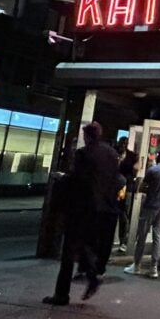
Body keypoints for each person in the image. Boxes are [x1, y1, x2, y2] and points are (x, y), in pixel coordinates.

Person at [45, 121, 120, 306]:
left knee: (69, 249)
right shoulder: (111, 153)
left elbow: (78, 180)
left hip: (82, 207)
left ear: (86, 136)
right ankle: (93, 275)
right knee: (85, 243)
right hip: (103, 208)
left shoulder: (83, 153)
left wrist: (62, 178)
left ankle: (61, 294)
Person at [125, 147, 160, 278]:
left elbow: (142, 187)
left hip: (151, 206)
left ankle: (136, 265)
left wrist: (150, 189)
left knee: (142, 235)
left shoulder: (154, 170)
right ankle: (154, 267)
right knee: (157, 237)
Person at [116, 136, 139, 252]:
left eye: (125, 143)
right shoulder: (113, 153)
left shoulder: (132, 156)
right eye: (121, 143)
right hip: (114, 186)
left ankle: (123, 240)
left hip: (125, 187)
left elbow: (135, 171)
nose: (123, 145)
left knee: (124, 213)